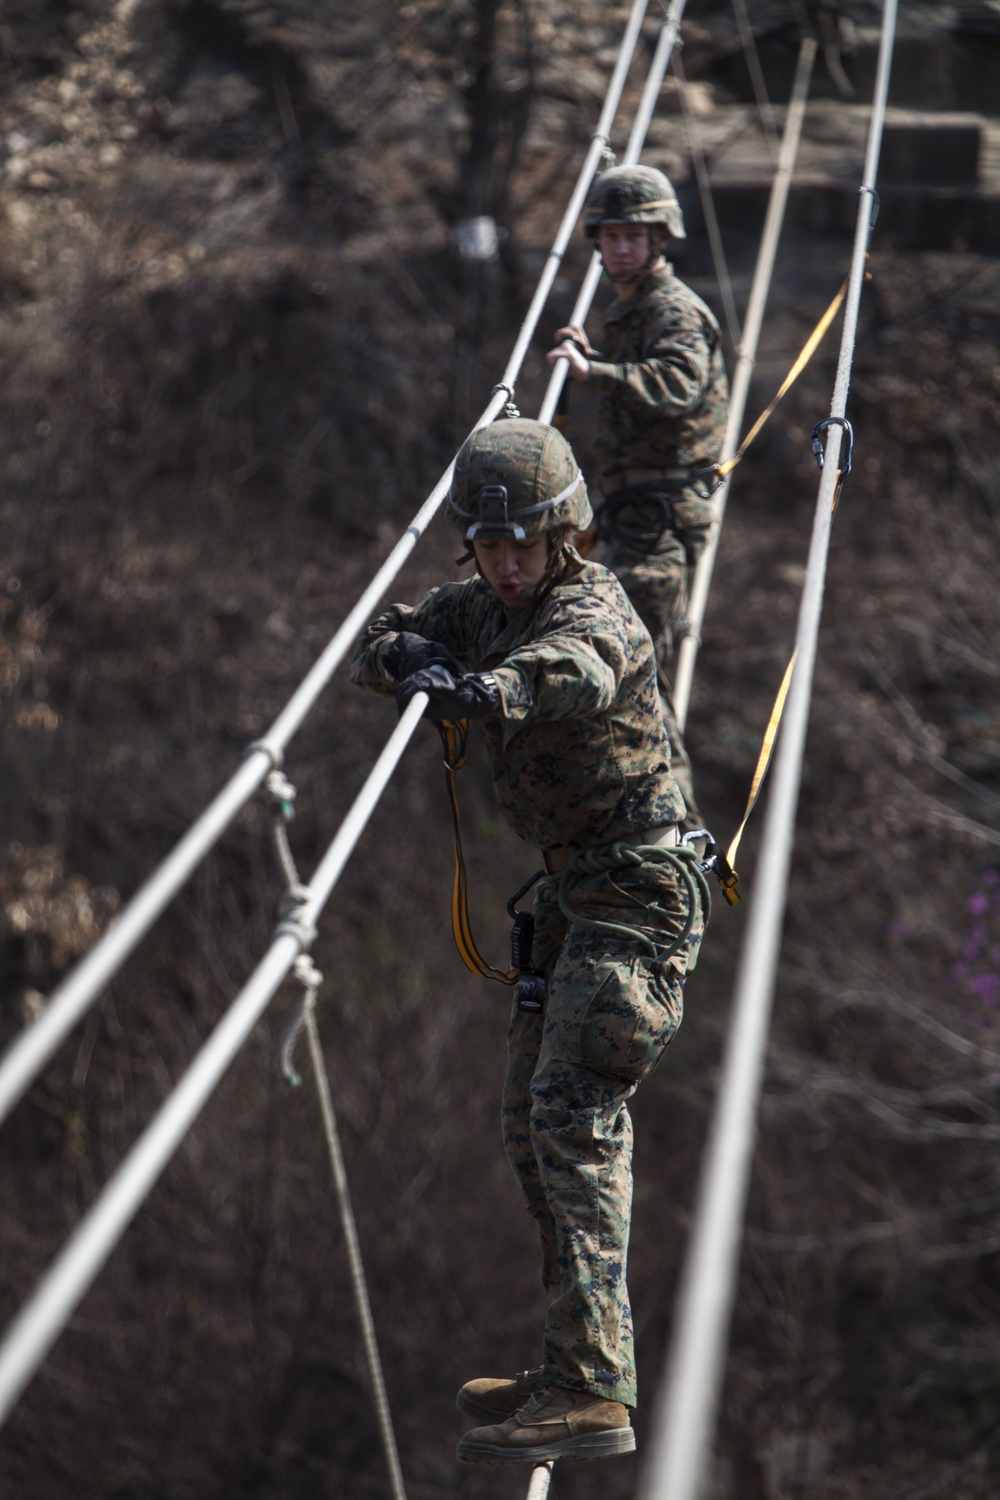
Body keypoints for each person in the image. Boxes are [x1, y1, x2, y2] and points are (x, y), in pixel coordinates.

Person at [350, 418, 709, 1467]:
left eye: (525, 546)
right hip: (574, 889)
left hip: (636, 892)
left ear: (563, 538)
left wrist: (485, 690)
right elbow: (384, 634)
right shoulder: (480, 604)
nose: (506, 566)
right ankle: (568, 1361)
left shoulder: (591, 608)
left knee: (572, 1108)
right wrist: (404, 653)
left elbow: (576, 670)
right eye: (490, 547)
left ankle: (597, 1386)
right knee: (525, 1123)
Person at [546, 164, 729, 825]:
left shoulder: (673, 310)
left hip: (661, 513)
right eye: (612, 236)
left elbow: (676, 384)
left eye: (636, 236)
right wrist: (590, 354)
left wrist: (593, 370)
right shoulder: (628, 311)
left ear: (661, 240)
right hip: (630, 508)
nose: (621, 247)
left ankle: (677, 826)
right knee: (618, 655)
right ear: (598, 243)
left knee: (632, 664)